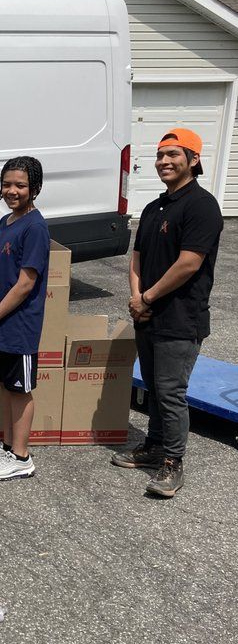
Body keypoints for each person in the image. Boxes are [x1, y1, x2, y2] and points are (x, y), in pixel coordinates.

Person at [112, 128, 223, 497]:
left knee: (172, 392)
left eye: (174, 154)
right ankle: (154, 447)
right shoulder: (154, 207)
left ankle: (173, 463)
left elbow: (189, 264)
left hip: (180, 317)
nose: (164, 162)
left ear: (193, 159)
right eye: (160, 155)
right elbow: (137, 258)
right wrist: (136, 298)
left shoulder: (202, 206)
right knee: (155, 388)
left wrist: (147, 298)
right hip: (148, 313)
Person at [0, 156, 50, 481]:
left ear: (34, 188)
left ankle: (21, 456)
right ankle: (6, 445)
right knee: (7, 387)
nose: (12, 190)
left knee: (20, 390)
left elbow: (26, 283)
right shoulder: (4, 223)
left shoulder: (35, 227)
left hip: (18, 326)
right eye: (7, 184)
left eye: (20, 185)